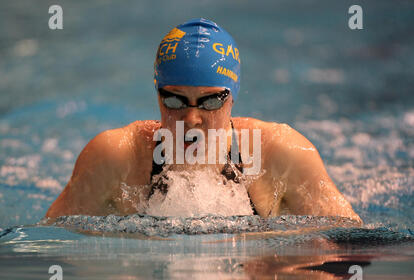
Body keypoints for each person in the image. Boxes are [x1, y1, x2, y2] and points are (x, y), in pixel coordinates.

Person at [45, 18, 362, 223]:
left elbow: (352, 249)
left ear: (232, 97)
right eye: (174, 100)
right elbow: (46, 244)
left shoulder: (283, 154)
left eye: (210, 101)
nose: (191, 118)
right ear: (157, 94)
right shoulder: (114, 158)